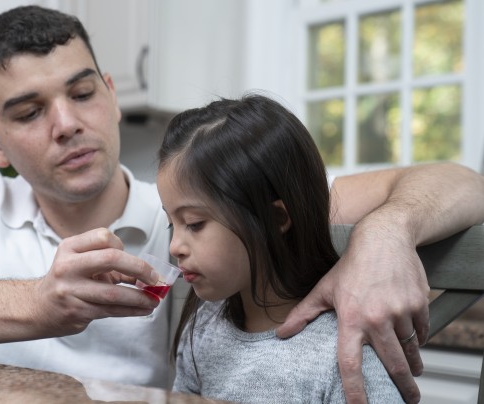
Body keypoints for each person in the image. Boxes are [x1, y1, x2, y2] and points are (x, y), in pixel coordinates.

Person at [0, 5, 482, 402]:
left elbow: (463, 184)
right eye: (29, 112)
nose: (67, 123)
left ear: (112, 94)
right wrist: (39, 302)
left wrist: (387, 231)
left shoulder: (204, 204)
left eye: (83, 92)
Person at [160, 94, 404, 402]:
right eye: (172, 224)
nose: (175, 246)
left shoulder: (346, 351)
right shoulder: (203, 330)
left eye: (194, 223)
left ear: (276, 218)